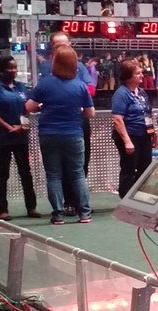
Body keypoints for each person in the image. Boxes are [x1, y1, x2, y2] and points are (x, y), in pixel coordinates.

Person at [27, 46, 96, 225]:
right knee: (78, 174)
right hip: (73, 133)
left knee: (53, 175)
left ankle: (58, 215)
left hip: (49, 133)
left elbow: (29, 107)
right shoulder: (80, 85)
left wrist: (43, 106)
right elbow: (90, 113)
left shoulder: (45, 83)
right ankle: (85, 213)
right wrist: (77, 111)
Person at [44, 32, 96, 216]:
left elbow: (90, 89)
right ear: (52, 48)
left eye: (65, 44)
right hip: (54, 126)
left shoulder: (79, 67)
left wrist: (74, 99)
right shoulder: (46, 67)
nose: (62, 48)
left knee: (80, 165)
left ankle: (78, 202)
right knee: (58, 168)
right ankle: (66, 203)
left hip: (77, 122)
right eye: (57, 45)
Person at [0, 55, 38, 220]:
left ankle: (31, 207)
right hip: (2, 137)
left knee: (26, 173)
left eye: (15, 67)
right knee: (3, 173)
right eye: (10, 68)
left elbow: (27, 109)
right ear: (1, 70)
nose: (14, 70)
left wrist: (22, 126)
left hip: (20, 137)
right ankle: (3, 209)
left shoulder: (21, 87)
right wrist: (8, 127)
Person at [112, 59, 154, 198]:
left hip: (144, 135)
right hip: (130, 135)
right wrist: (127, 141)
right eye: (137, 73)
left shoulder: (141, 93)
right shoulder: (121, 94)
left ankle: (140, 197)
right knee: (129, 167)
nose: (141, 75)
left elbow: (147, 114)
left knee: (145, 167)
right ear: (128, 76)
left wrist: (153, 134)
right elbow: (118, 119)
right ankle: (126, 196)